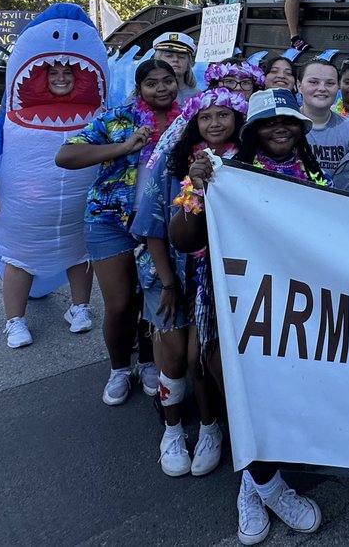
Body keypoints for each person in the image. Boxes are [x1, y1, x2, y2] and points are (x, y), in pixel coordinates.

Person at [169, 89, 325, 545]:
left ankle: (252, 485)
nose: (280, 128)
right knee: (238, 392)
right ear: (253, 130)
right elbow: (182, 238)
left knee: (275, 394)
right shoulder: (222, 171)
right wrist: (197, 189)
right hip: (231, 300)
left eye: (288, 121)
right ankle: (271, 489)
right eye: (269, 122)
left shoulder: (315, 172)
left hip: (291, 302)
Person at [132, 87, 247, 477]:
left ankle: (210, 428)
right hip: (166, 272)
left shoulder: (246, 162)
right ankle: (172, 430)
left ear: (237, 119)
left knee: (199, 357)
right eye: (205, 116)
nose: (215, 123)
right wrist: (167, 283)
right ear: (194, 122)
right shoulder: (172, 163)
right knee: (174, 356)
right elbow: (152, 226)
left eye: (223, 115)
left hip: (215, 278)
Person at [55, 59, 181, 405]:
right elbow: (65, 156)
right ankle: (119, 368)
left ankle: (148, 362)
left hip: (161, 226)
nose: (161, 88)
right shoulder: (117, 119)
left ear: (178, 82)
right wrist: (124, 147)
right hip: (109, 221)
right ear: (139, 89)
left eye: (167, 81)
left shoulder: (188, 121)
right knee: (120, 303)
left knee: (150, 301)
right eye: (152, 83)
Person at [0, 61, 95, 348]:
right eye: (53, 73)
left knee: (80, 253)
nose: (61, 78)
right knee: (20, 256)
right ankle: (14, 320)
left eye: (67, 72)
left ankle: (79, 307)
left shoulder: (93, 108)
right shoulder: (15, 108)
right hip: (25, 203)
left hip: (76, 202)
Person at [298, 58, 349, 174]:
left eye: (330, 83)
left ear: (338, 87)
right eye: (313, 82)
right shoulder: (285, 125)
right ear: (299, 86)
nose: (322, 88)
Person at [153, 32, 200, 103]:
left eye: (181, 57)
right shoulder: (149, 93)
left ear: (188, 63)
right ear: (157, 60)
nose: (175, 60)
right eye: (169, 56)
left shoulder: (198, 96)